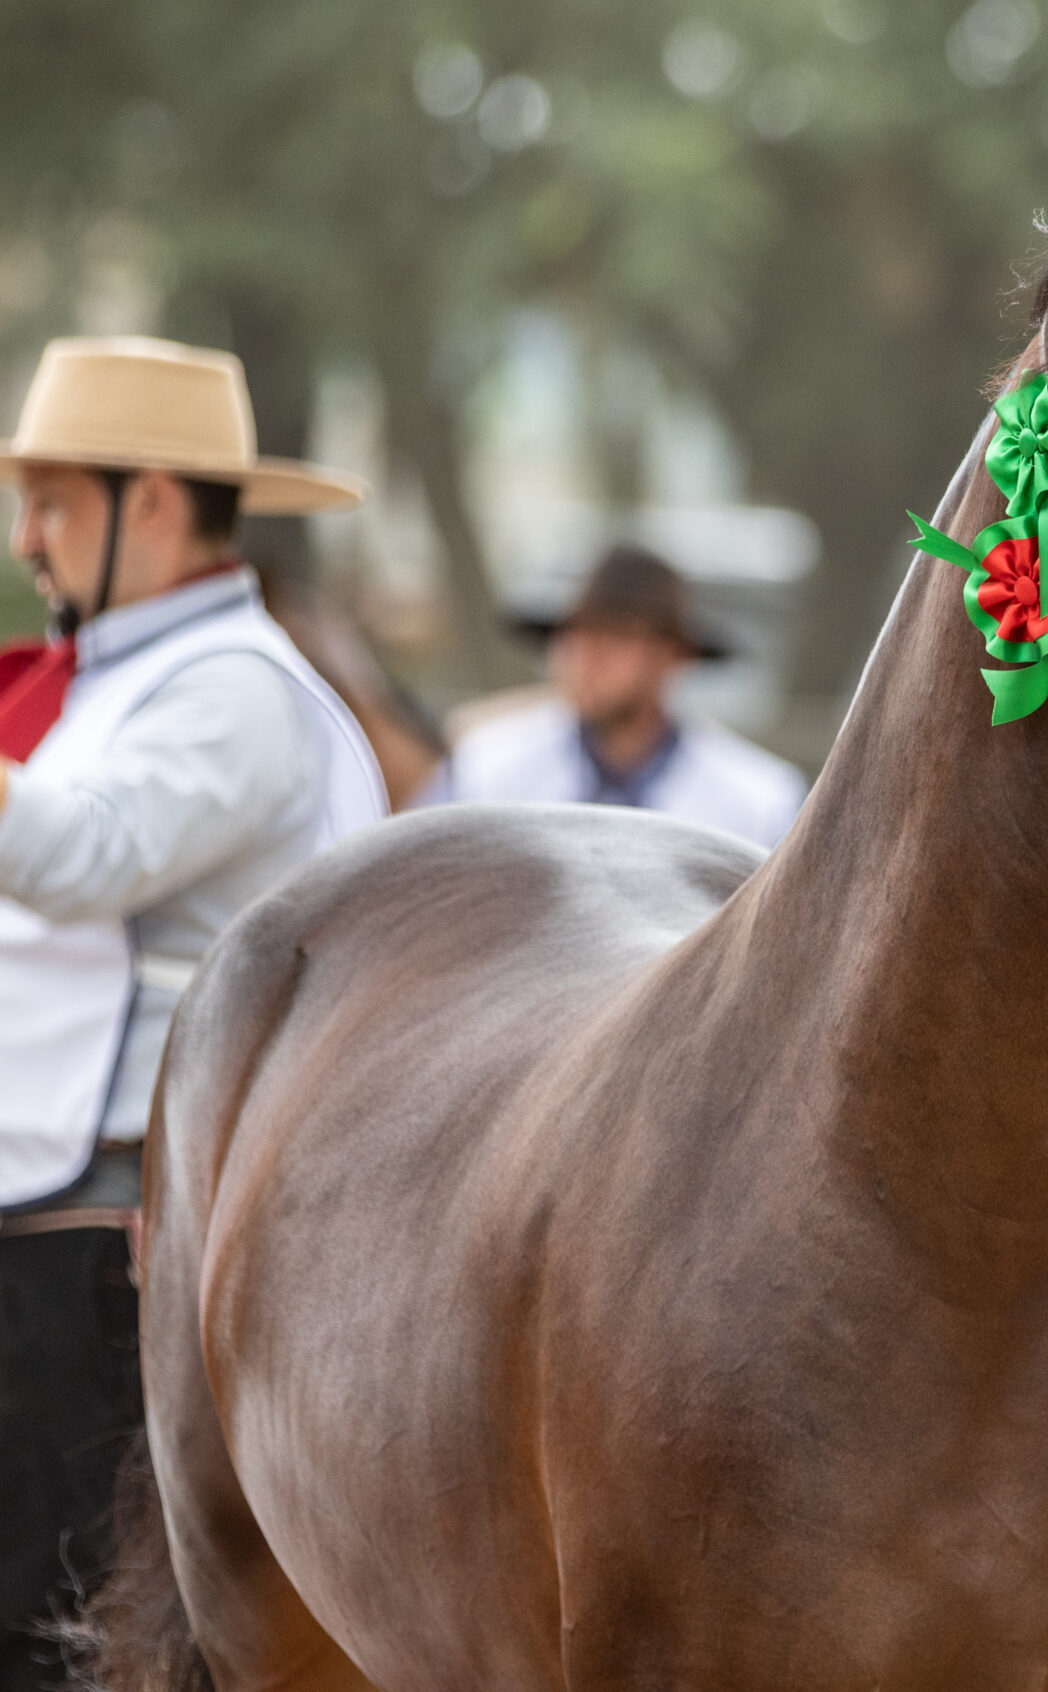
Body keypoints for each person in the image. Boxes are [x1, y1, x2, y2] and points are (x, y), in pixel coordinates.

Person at [0, 336, 385, 1688]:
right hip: (69, 1207)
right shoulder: (139, 681)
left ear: (152, 502)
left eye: (52, 503)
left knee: (68, 1626)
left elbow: (81, 856)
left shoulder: (238, 687)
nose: (28, 540)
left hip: (121, 1230)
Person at [433, 544, 804, 848]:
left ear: (670, 655)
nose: (584, 659)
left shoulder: (757, 803)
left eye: (613, 637)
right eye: (572, 637)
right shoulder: (490, 773)